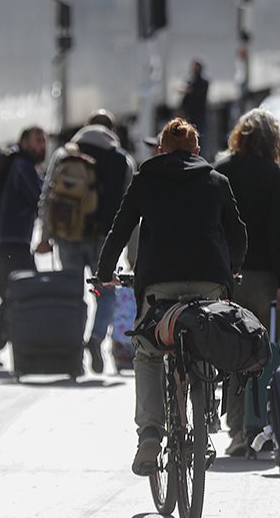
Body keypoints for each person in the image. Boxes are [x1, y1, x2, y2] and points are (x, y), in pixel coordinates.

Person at [95, 118, 247, 476]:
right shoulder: (216, 181)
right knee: (207, 336)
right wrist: (234, 269)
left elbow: (120, 229)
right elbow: (238, 234)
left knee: (147, 352)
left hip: (158, 285)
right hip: (209, 283)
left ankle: (150, 432)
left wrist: (104, 273)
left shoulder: (145, 180)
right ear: (197, 150)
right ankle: (206, 404)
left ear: (161, 149)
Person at [213, 108, 280, 456]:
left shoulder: (223, 171)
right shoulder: (277, 176)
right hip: (264, 278)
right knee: (262, 353)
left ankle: (234, 431)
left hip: (228, 275)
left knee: (233, 353)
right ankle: (257, 427)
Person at [36, 110, 135, 374]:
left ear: (85, 127)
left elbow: (48, 196)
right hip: (104, 239)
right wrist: (128, 248)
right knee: (106, 293)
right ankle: (96, 337)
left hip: (68, 235)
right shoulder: (121, 160)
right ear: (112, 130)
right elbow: (131, 205)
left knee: (71, 294)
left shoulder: (64, 155)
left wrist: (45, 237)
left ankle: (73, 356)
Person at [0, 126, 48, 370]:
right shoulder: (22, 167)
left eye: (44, 141)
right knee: (22, 293)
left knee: (12, 294)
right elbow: (40, 199)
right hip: (8, 241)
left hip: (0, 240)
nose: (43, 146)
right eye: (38, 141)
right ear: (25, 143)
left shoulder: (19, 165)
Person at [178, 59, 210, 153]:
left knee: (199, 136)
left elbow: (198, 94)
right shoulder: (191, 81)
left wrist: (189, 91)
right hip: (190, 114)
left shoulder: (203, 82)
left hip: (199, 113)